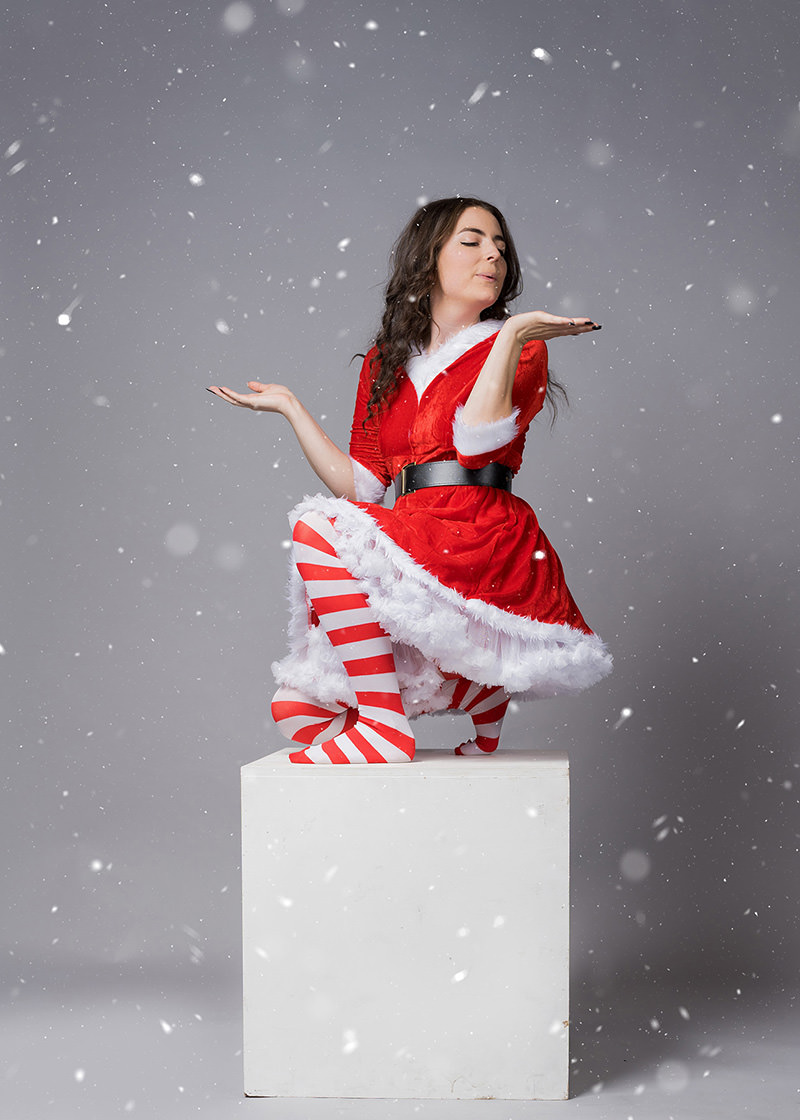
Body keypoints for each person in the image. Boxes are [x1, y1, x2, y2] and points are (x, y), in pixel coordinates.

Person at [208, 196, 612, 765]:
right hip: (415, 532)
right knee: (294, 712)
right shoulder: (385, 363)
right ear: (429, 259)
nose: (491, 256)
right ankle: (476, 694)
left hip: (479, 532)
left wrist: (513, 334)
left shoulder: (523, 347)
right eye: (472, 242)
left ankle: (383, 728)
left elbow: (477, 440)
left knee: (315, 528)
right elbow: (362, 486)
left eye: (499, 246)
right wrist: (292, 409)